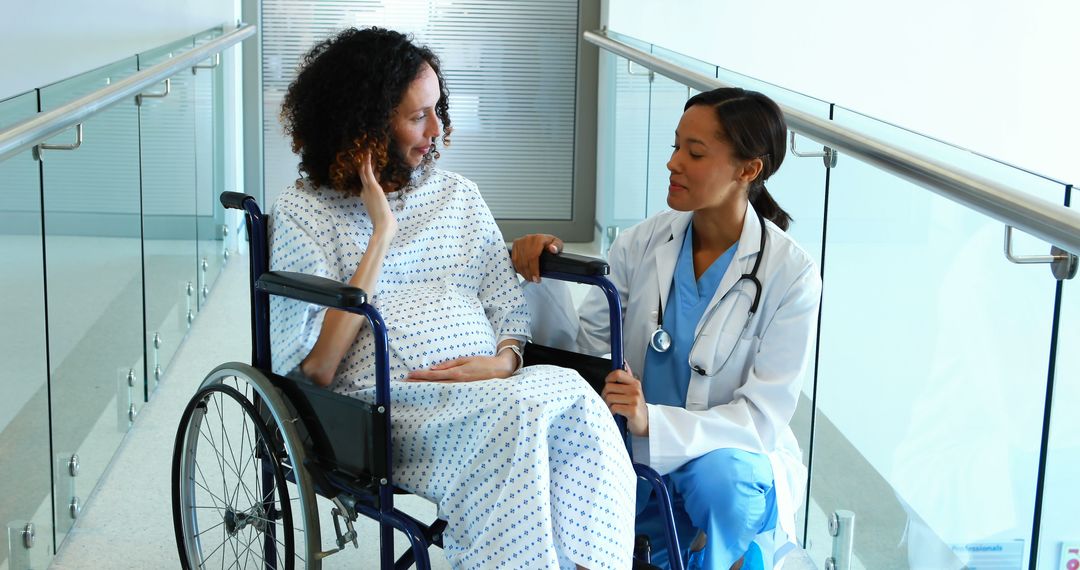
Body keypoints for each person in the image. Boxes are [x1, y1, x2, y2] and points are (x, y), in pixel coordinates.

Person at [269, 27, 635, 570]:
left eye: (437, 109)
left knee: (576, 401)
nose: (437, 130)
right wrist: (381, 234)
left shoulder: (458, 195)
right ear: (365, 127)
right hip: (386, 408)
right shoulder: (307, 213)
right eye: (418, 116)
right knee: (520, 421)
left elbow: (507, 306)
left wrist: (500, 361)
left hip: (493, 388)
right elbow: (318, 369)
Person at [513, 88, 822, 570]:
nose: (673, 163)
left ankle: (743, 554)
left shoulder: (790, 274)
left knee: (723, 483)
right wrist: (544, 276)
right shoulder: (641, 243)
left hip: (723, 458)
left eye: (695, 153)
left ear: (748, 170)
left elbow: (762, 417)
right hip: (629, 440)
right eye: (676, 146)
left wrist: (652, 421)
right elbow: (591, 353)